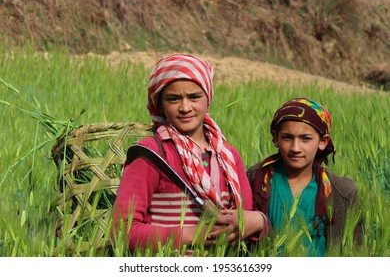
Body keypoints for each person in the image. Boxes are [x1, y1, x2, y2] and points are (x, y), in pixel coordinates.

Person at [112, 53, 267, 253]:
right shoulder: (151, 155)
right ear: (160, 104)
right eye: (174, 99)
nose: (185, 108)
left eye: (194, 97)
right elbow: (121, 231)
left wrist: (259, 220)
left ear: (208, 98)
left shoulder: (228, 156)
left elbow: (247, 219)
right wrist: (193, 235)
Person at [247, 97, 363, 256]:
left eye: (305, 138)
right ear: (275, 138)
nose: (296, 148)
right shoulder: (256, 179)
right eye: (287, 137)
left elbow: (357, 252)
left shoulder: (342, 192)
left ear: (323, 141)